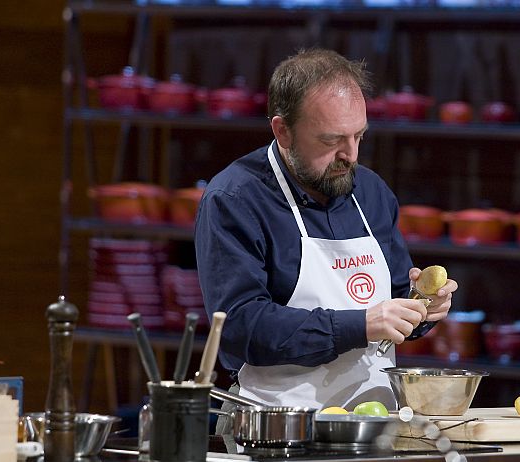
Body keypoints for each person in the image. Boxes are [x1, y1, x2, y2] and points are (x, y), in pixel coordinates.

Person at [195, 48, 458, 413]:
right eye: (331, 140)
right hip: (277, 425)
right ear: (282, 131)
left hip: (375, 420)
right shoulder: (236, 200)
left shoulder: (372, 192)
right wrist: (361, 325)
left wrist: (422, 307)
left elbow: (396, 300)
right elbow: (240, 327)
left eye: (359, 136)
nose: (350, 155)